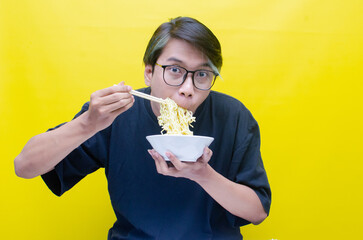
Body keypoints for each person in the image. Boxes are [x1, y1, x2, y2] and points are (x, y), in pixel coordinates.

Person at [14, 17, 271, 239]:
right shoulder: (118, 114)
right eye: (175, 70)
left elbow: (257, 211)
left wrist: (202, 174)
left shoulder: (234, 116)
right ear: (149, 72)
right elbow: (24, 166)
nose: (188, 89)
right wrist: (86, 124)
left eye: (202, 74)